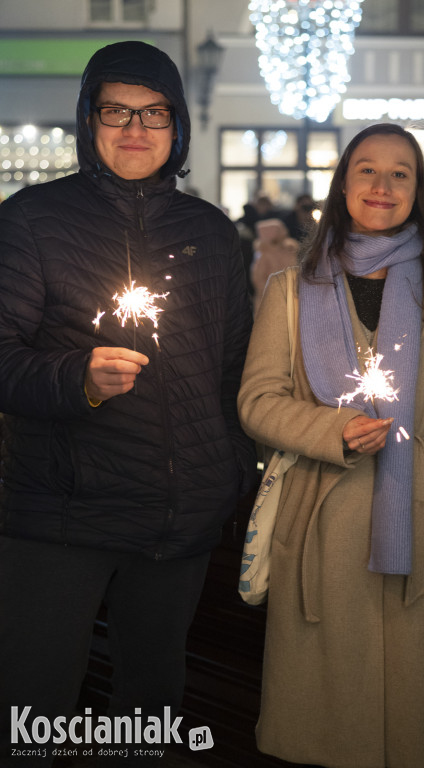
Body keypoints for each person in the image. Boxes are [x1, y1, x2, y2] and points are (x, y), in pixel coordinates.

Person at [0, 41, 255, 766]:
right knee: (32, 715)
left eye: (154, 113)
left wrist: (227, 469)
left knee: (148, 717)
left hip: (179, 524)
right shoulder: (33, 220)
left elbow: (233, 366)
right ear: (89, 120)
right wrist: (77, 378)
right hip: (62, 518)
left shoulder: (210, 233)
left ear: (177, 127)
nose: (136, 128)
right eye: (117, 110)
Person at [237, 123, 424, 768]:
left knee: (400, 732)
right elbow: (256, 401)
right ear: (343, 183)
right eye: (367, 170)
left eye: (400, 173)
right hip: (316, 529)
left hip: (410, 529)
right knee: (318, 734)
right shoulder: (292, 291)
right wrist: (331, 430)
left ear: (418, 189)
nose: (382, 186)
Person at [250, 218, 299, 316]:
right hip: (270, 301)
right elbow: (258, 279)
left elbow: (297, 270)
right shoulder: (264, 253)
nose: (284, 232)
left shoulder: (290, 249)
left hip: (292, 297)